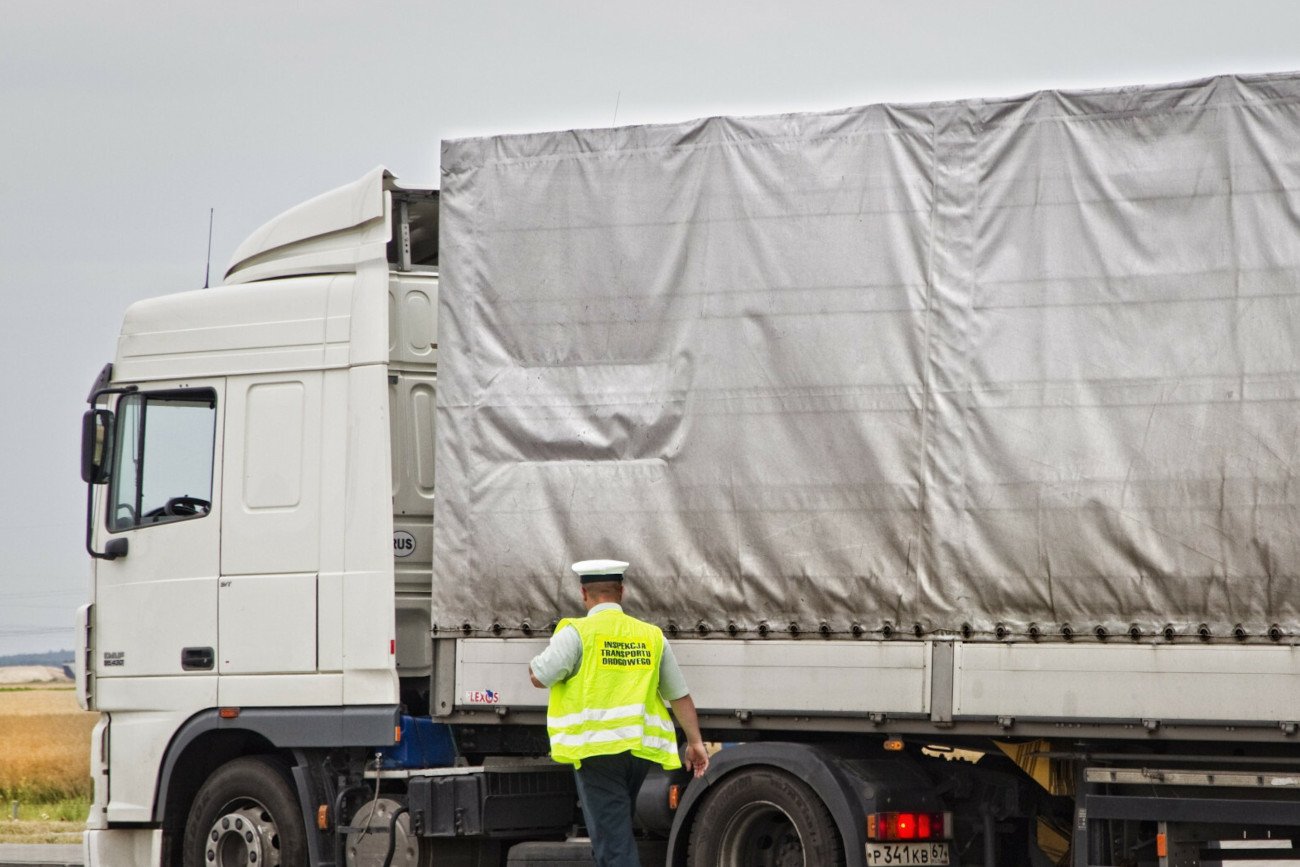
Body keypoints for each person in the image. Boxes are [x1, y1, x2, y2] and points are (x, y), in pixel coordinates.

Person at [530, 559, 709, 867]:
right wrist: (695, 742)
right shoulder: (650, 636)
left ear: (584, 593)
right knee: (613, 830)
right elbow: (678, 694)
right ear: (621, 592)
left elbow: (540, 676)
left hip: (598, 751)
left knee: (613, 842)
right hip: (638, 752)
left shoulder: (577, 632)